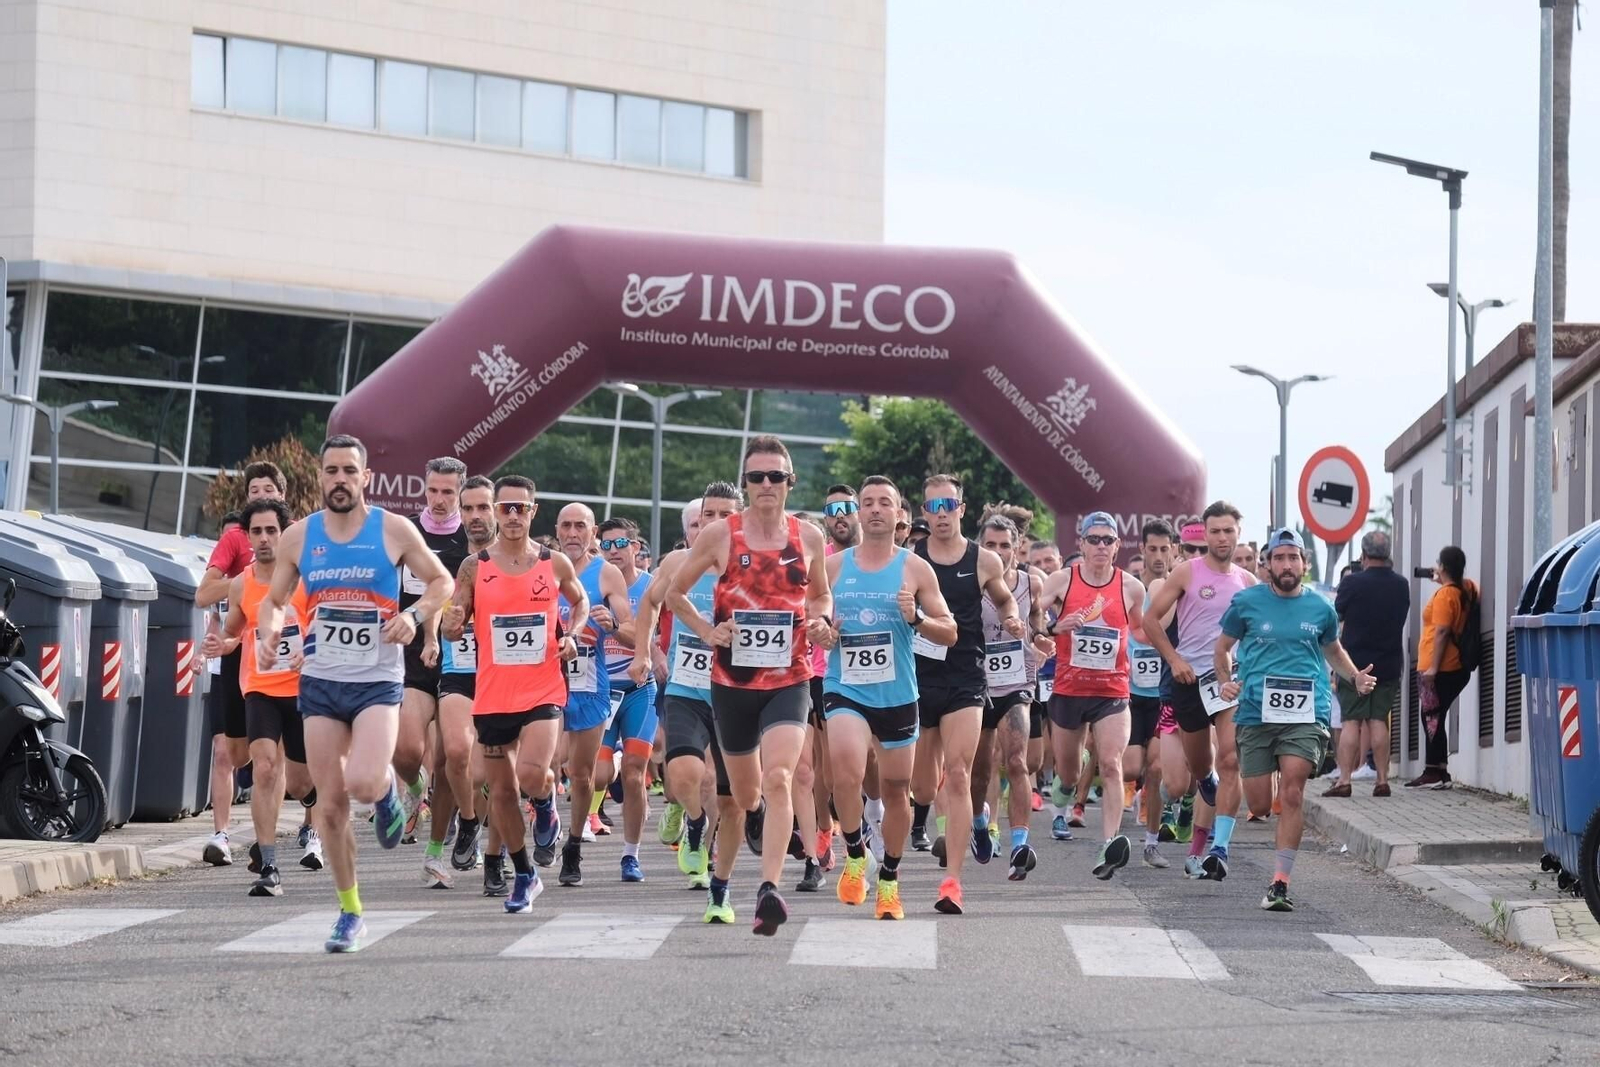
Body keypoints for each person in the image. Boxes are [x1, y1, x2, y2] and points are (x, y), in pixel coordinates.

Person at [259, 435, 454, 952]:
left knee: (365, 783)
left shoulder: (392, 529)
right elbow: (274, 600)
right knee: (330, 807)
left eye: (349, 471)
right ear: (320, 477)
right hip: (321, 682)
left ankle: (389, 793)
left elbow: (442, 583)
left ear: (366, 477)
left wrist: (413, 617)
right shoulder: (299, 537)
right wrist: (270, 631)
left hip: (376, 681)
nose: (340, 480)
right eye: (331, 471)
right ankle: (349, 912)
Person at [668, 434, 834, 935]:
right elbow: (675, 593)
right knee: (742, 798)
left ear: (790, 482)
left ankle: (769, 889)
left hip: (790, 677)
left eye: (776, 476)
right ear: (746, 484)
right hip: (732, 681)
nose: (766, 484)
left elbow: (821, 596)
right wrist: (706, 629)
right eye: (757, 477)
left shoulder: (807, 538)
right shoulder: (721, 536)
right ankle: (721, 884)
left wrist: (821, 621)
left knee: (782, 776)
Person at [442, 475, 584, 914]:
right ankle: (524, 874)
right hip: (493, 693)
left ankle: (545, 804)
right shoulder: (474, 565)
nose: (513, 516)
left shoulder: (553, 563)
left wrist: (573, 635)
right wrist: (450, 622)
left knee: (531, 772)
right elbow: (455, 612)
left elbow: (578, 603)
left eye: (521, 508)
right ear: (495, 512)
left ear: (533, 511)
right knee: (500, 793)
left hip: (543, 686)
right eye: (505, 508)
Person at [1214, 528, 1376, 912]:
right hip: (1254, 712)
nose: (1287, 565)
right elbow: (1221, 649)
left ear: (1304, 564)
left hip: (1306, 714)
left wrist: (1354, 677)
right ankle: (1266, 777)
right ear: (1267, 563)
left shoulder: (1320, 608)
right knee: (1257, 802)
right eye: (1280, 558)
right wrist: (1225, 682)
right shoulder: (1246, 603)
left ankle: (1280, 883)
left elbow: (1332, 649)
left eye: (1294, 558)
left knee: (1292, 792)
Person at [824, 476, 957, 918]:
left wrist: (916, 617)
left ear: (900, 515)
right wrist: (822, 631)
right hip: (845, 687)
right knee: (845, 770)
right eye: (868, 503)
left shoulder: (915, 568)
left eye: (885, 503)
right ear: (858, 513)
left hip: (897, 693)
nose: (876, 509)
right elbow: (814, 619)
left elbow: (950, 631)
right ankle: (855, 852)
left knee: (898, 789)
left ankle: (889, 879)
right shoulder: (833, 567)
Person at [909, 473, 1024, 915]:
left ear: (961, 508)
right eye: (933, 507)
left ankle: (952, 882)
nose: (941, 514)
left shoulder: (983, 560)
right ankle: (922, 813)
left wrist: (1012, 618)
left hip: (967, 678)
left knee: (958, 773)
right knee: (920, 783)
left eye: (948, 505)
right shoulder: (911, 558)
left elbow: (1004, 599)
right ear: (924, 512)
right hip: (918, 677)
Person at [631, 484, 745, 910]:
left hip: (735, 691)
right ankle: (694, 823)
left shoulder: (751, 565)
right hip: (686, 686)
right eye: (706, 515)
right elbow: (649, 605)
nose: (713, 523)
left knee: (718, 783)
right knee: (682, 777)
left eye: (723, 515)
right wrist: (643, 652)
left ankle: (710, 854)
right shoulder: (680, 562)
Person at [200, 498, 320, 894]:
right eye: (257, 531)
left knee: (300, 784)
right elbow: (236, 630)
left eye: (272, 530)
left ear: (284, 533)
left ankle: (314, 800)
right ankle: (269, 865)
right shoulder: (242, 583)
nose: (265, 539)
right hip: (261, 689)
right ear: (247, 536)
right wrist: (223, 643)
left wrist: (312, 646)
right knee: (266, 767)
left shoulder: (306, 579)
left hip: (302, 691)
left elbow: (325, 621)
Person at [1140, 503, 1256, 881]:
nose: (1222, 537)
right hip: (1189, 681)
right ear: (1204, 534)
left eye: (1228, 531)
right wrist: (1174, 660)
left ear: (1238, 533)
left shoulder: (1247, 583)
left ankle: (1219, 849)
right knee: (1202, 769)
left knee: (1230, 759)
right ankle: (1206, 785)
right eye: (1216, 531)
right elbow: (1150, 619)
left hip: (1228, 681)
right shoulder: (1187, 572)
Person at [1040, 511, 1146, 879]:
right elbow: (1028, 620)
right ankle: (1062, 800)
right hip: (1069, 688)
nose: (1101, 546)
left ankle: (1109, 844)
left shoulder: (1132, 587)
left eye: (1107, 540)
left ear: (1117, 546)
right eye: (1094, 539)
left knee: (1112, 764)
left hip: (1112, 690)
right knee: (1068, 772)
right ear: (1081, 544)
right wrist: (1055, 626)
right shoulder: (1061, 580)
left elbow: (1142, 633)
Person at [197, 462, 287, 866]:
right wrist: (242, 586)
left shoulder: (299, 547)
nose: (260, 494)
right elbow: (204, 595)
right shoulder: (235, 540)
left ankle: (310, 827)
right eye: (254, 489)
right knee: (234, 754)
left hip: (294, 671)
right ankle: (226, 836)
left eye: (269, 488)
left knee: (289, 767)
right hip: (245, 665)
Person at [393, 458, 472, 845]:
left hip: (457, 655)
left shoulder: (470, 539)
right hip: (410, 654)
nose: (439, 500)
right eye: (433, 490)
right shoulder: (405, 532)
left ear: (460, 492)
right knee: (406, 750)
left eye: (448, 492)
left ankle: (450, 823)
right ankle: (413, 784)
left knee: (450, 756)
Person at [552, 503, 633, 881]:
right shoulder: (543, 565)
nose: (572, 533)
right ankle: (542, 819)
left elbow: (634, 634)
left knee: (582, 775)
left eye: (579, 526)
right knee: (542, 768)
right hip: (544, 681)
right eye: (566, 525)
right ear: (556, 529)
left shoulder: (607, 573)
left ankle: (572, 846)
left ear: (593, 532)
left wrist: (613, 624)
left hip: (589, 682)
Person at [425, 474, 497, 889]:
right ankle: (467, 822)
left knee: (486, 774)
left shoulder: (513, 557)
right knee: (453, 752)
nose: (473, 516)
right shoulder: (449, 556)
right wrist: (434, 635)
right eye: (467, 508)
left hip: (503, 675)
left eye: (482, 507)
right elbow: (436, 598)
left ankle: (490, 844)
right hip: (458, 668)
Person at [974, 513, 1051, 880]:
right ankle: (981, 825)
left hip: (1016, 681)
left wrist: (1040, 638)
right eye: (991, 545)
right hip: (974, 683)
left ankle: (1020, 844)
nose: (999, 552)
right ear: (980, 547)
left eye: (1006, 545)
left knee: (1017, 761)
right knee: (981, 765)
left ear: (1017, 548)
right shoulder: (968, 581)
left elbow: (1038, 622)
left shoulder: (1031, 583)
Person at [1324, 530, 1408, 798]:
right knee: (1378, 719)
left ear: (1364, 554)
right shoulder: (1401, 584)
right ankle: (1382, 780)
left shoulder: (1353, 583)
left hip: (1354, 665)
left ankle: (1345, 780)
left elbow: (1336, 614)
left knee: (1351, 721)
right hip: (1388, 661)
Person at [595, 517, 652, 881]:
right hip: (599, 690)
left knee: (634, 775)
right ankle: (612, 758)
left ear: (635, 547)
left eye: (621, 544)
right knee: (598, 776)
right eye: (607, 544)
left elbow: (646, 636)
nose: (613, 551)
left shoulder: (651, 586)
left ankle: (631, 855)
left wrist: (616, 628)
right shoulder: (593, 581)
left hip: (638, 691)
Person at [1412, 545, 1477, 789]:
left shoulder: (1444, 596)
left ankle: (1434, 771)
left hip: (1440, 666)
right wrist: (1442, 576)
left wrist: (1433, 669)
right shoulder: (1467, 589)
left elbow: (1441, 631)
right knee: (1434, 715)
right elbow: (1461, 586)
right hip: (1457, 666)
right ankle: (1439, 770)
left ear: (1443, 567)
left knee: (1430, 716)